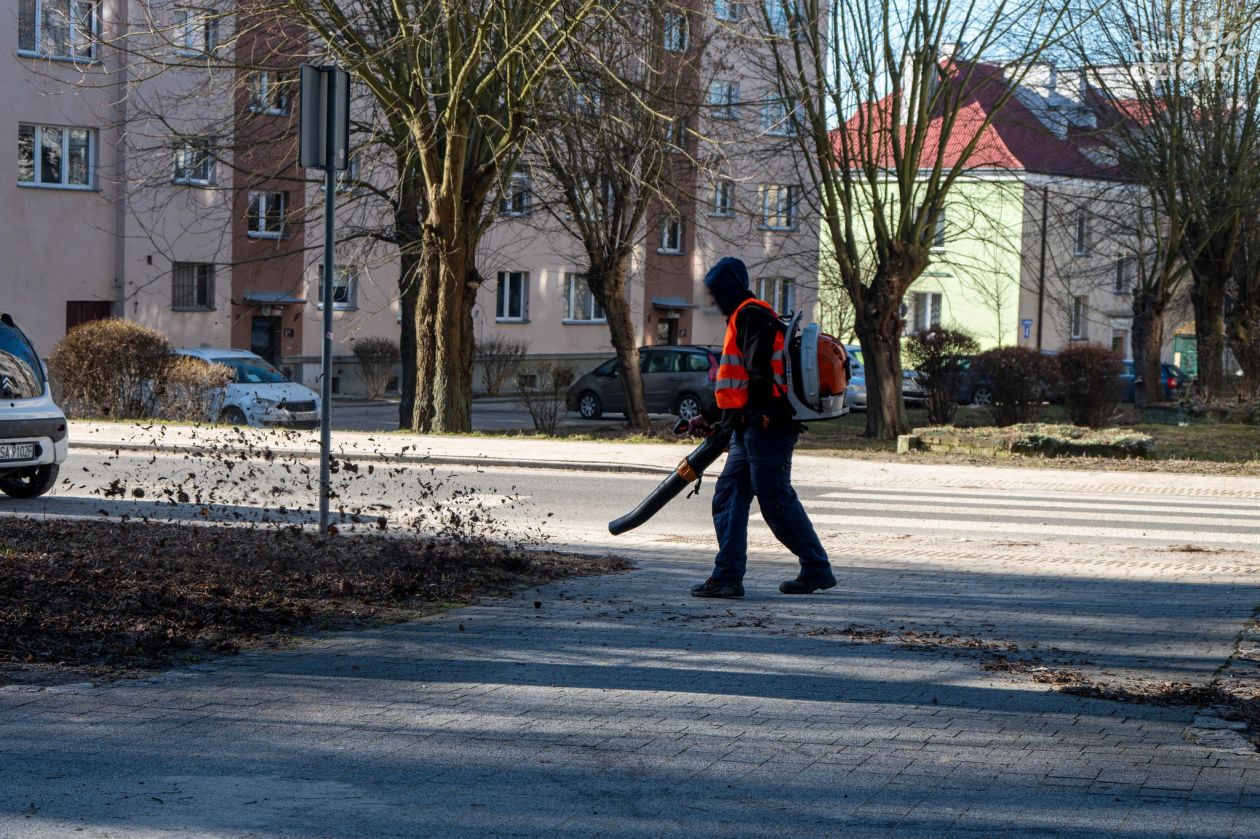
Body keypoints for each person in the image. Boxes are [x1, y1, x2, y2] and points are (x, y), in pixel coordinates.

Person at [687, 257, 837, 599]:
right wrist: (710, 418)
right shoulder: (743, 317)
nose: (712, 299)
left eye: (716, 291)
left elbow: (757, 378)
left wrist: (740, 420)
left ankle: (816, 568)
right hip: (749, 428)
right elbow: (735, 384)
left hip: (767, 427)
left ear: (730, 288)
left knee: (776, 501)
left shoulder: (752, 315)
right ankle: (727, 576)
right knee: (729, 495)